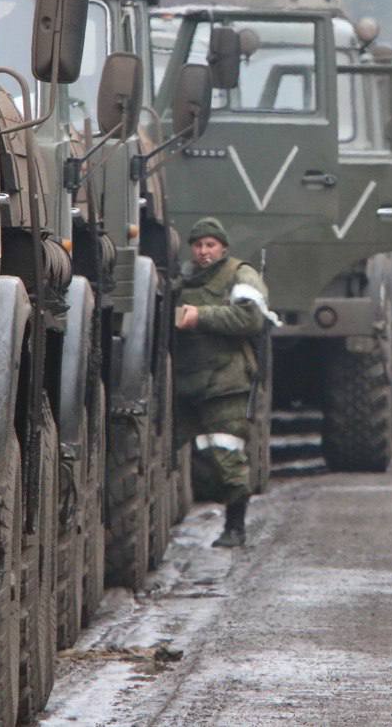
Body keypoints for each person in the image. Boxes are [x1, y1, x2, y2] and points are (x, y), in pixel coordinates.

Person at [175, 216, 274, 548]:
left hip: (226, 382)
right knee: (201, 461)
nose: (204, 252)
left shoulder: (240, 275)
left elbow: (250, 317)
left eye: (210, 245)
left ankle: (236, 527)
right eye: (198, 245)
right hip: (189, 382)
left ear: (223, 248)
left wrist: (201, 316)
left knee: (227, 457)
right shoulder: (184, 278)